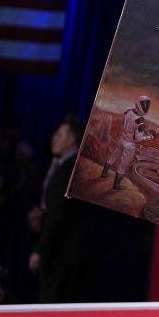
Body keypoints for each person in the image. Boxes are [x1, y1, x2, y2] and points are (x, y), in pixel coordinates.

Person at [29, 115, 103, 302]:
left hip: (62, 253)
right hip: (67, 252)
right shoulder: (63, 166)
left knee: (53, 305)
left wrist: (40, 250)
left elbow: (59, 215)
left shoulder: (70, 168)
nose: (54, 138)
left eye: (60, 135)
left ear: (72, 140)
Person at [102, 95, 157, 191]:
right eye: (144, 104)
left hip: (122, 139)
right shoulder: (140, 121)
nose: (146, 107)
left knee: (114, 156)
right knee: (123, 164)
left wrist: (131, 130)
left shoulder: (128, 111)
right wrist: (151, 136)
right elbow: (138, 139)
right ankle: (116, 186)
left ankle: (104, 173)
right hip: (130, 145)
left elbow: (122, 122)